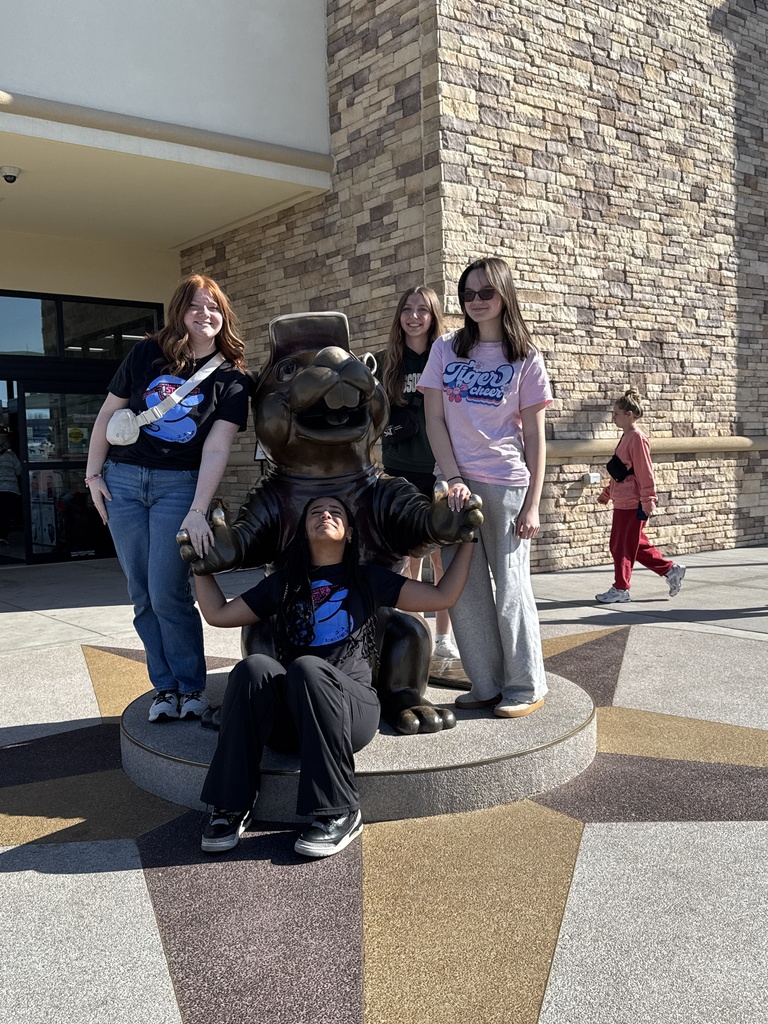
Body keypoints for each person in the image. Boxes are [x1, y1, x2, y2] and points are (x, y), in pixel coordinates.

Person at [194, 495, 474, 859]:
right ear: (304, 531)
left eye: (335, 512)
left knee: (306, 667)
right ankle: (230, 805)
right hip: (294, 717)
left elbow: (442, 595)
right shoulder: (283, 583)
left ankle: (339, 811)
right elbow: (217, 613)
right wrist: (200, 567)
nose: (325, 515)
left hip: (350, 712)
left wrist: (467, 540)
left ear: (349, 533)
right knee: (252, 668)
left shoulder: (367, 579)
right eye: (315, 512)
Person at [85, 274, 250, 723]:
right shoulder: (146, 354)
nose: (205, 314)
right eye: (195, 306)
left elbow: (217, 447)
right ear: (179, 312)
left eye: (213, 306)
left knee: (167, 592)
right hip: (122, 481)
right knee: (141, 594)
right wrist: (93, 474)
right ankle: (165, 689)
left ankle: (192, 687)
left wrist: (199, 510)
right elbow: (108, 414)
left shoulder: (233, 378)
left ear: (224, 315)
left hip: (179, 486)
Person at [419, 256, 552, 719]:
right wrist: (451, 478)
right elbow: (434, 420)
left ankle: (525, 684)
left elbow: (535, 437)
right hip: (454, 487)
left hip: (506, 485)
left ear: (504, 295)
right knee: (463, 589)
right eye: (468, 295)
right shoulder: (445, 350)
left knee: (511, 586)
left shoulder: (526, 358)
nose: (476, 302)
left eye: (486, 293)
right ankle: (487, 682)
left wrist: (533, 503)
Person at [374, 286, 460, 660]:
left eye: (422, 310)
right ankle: (414, 632)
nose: (413, 316)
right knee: (407, 557)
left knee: (441, 556)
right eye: (406, 309)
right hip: (398, 469)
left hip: (438, 467)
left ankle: (443, 637)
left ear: (434, 316)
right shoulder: (385, 361)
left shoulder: (447, 357)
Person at [595, 388, 685, 603]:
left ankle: (621, 589)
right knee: (633, 544)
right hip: (623, 500)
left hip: (633, 503)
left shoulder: (637, 438)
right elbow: (622, 472)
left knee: (622, 546)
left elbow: (645, 471)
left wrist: (648, 500)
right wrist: (607, 493)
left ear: (629, 415)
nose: (613, 417)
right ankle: (671, 570)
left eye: (617, 413)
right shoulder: (626, 436)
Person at [0, 429, 22, 545]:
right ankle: (3, 536)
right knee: (6, 513)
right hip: (10, 489)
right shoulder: (11, 455)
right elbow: (19, 471)